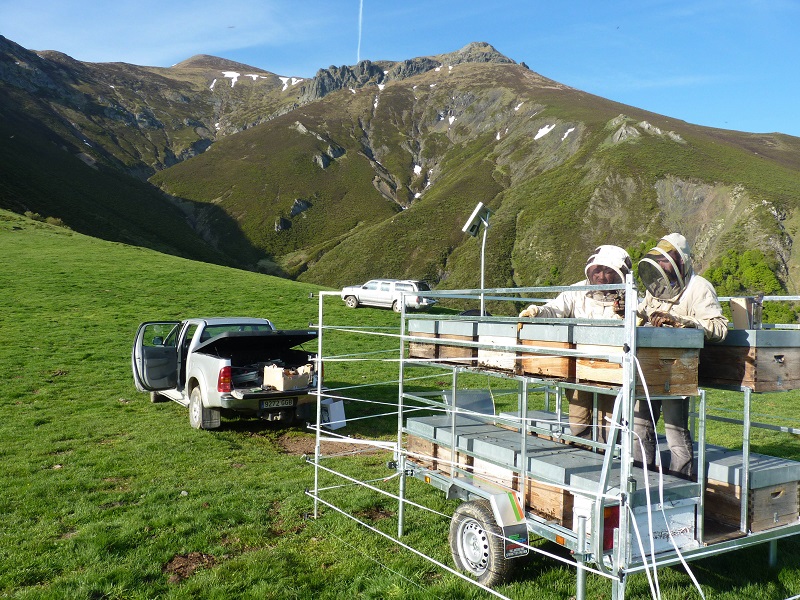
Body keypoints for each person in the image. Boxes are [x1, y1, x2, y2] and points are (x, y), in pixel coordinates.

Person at [635, 232, 728, 478]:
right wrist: (632, 313)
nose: (664, 267)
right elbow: (642, 313)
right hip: (648, 367)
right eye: (662, 262)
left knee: (675, 430)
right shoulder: (655, 287)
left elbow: (719, 327)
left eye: (669, 261)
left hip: (679, 371)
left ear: (682, 262)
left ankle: (681, 484)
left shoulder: (700, 287)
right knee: (640, 426)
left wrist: (681, 321)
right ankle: (641, 480)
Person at [519, 245, 633, 443]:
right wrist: (536, 311)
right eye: (597, 271)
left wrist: (628, 314)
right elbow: (555, 309)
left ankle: (608, 464)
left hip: (612, 369)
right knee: (579, 423)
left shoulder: (631, 297)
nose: (601, 277)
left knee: (608, 424)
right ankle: (584, 454)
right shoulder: (576, 292)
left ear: (619, 273)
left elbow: (641, 323)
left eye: (608, 272)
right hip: (578, 367)